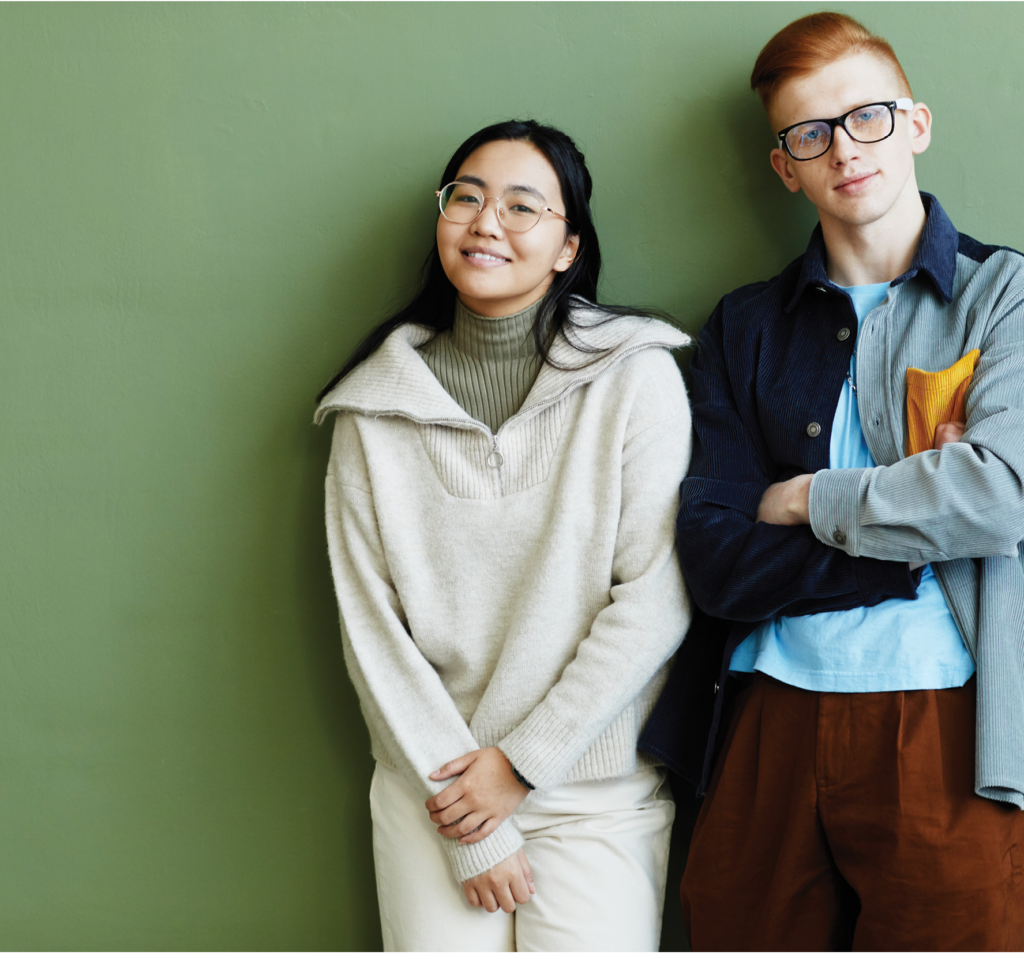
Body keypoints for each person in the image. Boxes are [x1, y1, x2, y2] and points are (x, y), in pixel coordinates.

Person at [640, 12, 1024, 952]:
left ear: (917, 123)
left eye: (868, 118)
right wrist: (905, 546)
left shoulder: (1003, 295)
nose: (845, 150)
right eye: (811, 133)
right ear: (786, 165)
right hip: (766, 711)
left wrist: (810, 497)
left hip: (949, 718)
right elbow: (719, 556)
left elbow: (997, 496)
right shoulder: (742, 327)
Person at [315, 119, 692, 953]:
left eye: (524, 206)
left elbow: (658, 593)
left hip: (595, 789)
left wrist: (521, 764)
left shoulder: (636, 375)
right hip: (434, 790)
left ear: (568, 247)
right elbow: (372, 632)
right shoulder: (370, 410)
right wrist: (472, 819)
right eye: (467, 198)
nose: (487, 222)